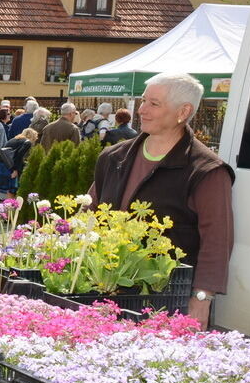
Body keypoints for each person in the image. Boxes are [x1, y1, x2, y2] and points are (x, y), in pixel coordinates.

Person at [91, 72, 234, 330]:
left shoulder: (206, 170)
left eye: (154, 104)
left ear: (183, 111)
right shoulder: (113, 158)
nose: (142, 110)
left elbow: (217, 241)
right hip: (104, 292)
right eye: (144, 101)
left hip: (168, 300)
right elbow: (91, 213)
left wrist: (201, 300)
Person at [0, 128, 38, 206]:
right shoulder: (27, 142)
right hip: (9, 167)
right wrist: (15, 170)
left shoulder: (13, 140)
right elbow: (19, 156)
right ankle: (9, 216)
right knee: (11, 191)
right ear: (32, 137)